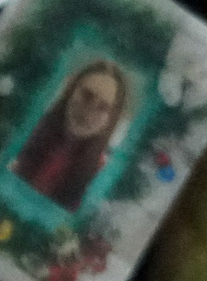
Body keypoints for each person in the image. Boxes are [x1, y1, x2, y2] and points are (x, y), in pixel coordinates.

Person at [10, 59, 132, 212]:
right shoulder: (24, 130)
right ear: (71, 90)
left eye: (103, 107)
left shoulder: (100, 176)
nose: (89, 112)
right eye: (87, 96)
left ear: (111, 119)